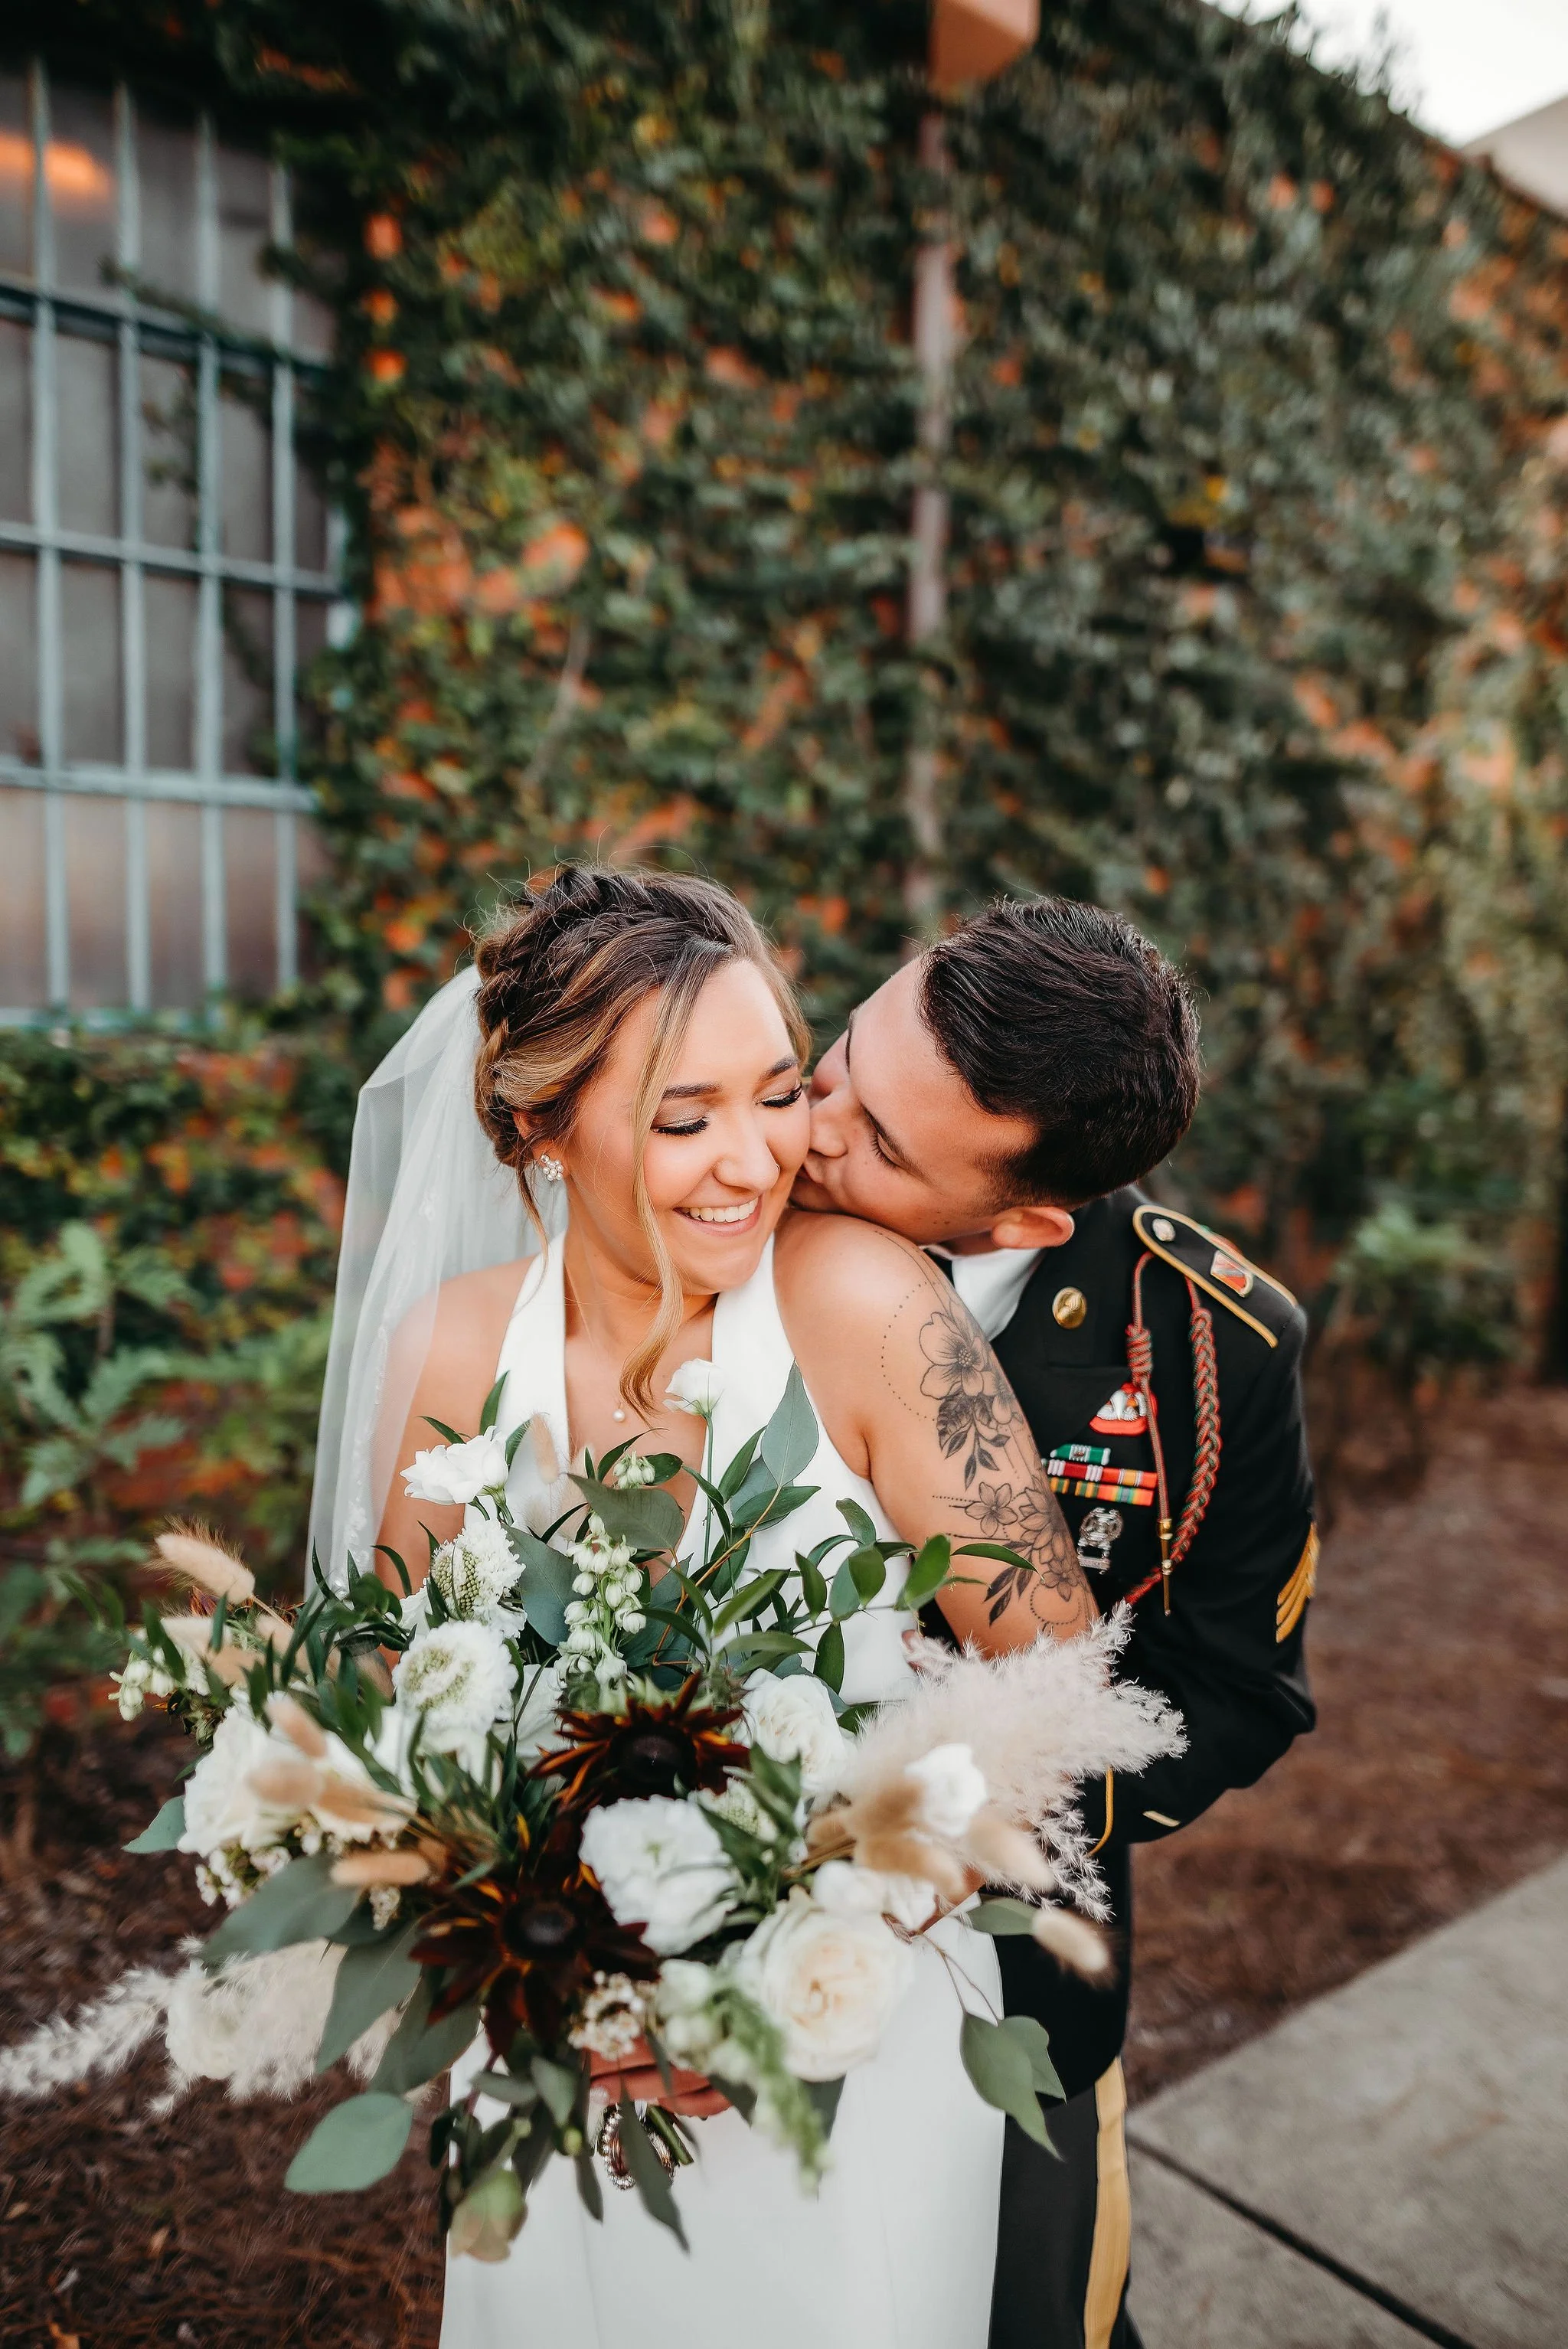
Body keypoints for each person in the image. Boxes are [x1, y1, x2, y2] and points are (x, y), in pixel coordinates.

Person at [317, 864, 1099, 2349]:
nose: (754, 1158)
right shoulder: (445, 1353)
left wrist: (839, 1919)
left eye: (778, 1091)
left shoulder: (866, 1306)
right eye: (684, 1116)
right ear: (536, 1124)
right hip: (562, 2073)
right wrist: (532, 1971)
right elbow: (387, 1705)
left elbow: (1058, 1675)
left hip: (851, 2048)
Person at [797, 894, 1318, 2349]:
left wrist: (984, 1809)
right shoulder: (726, 1197)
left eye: (887, 1145)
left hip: (1009, 1973)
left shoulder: (1215, 1349)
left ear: (1025, 1218)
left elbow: (1240, 1688)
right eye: (844, 1059)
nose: (817, 1125)